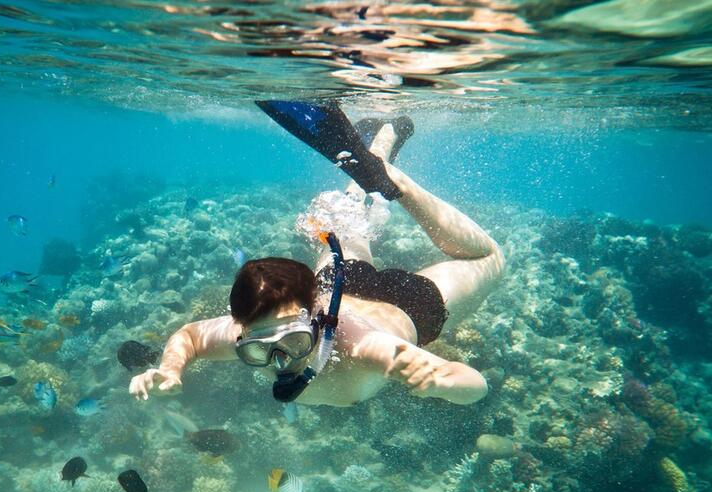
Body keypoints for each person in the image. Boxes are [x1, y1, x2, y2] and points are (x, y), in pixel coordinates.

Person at [129, 101, 504, 407]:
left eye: (294, 341)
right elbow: (191, 337)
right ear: (242, 336)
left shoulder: (363, 347)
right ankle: (377, 153)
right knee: (345, 220)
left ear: (316, 318)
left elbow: (475, 384)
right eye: (259, 352)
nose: (281, 363)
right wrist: (171, 368)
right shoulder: (252, 330)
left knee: (490, 258)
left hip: (408, 307)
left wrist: (443, 383)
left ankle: (394, 182)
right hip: (341, 279)